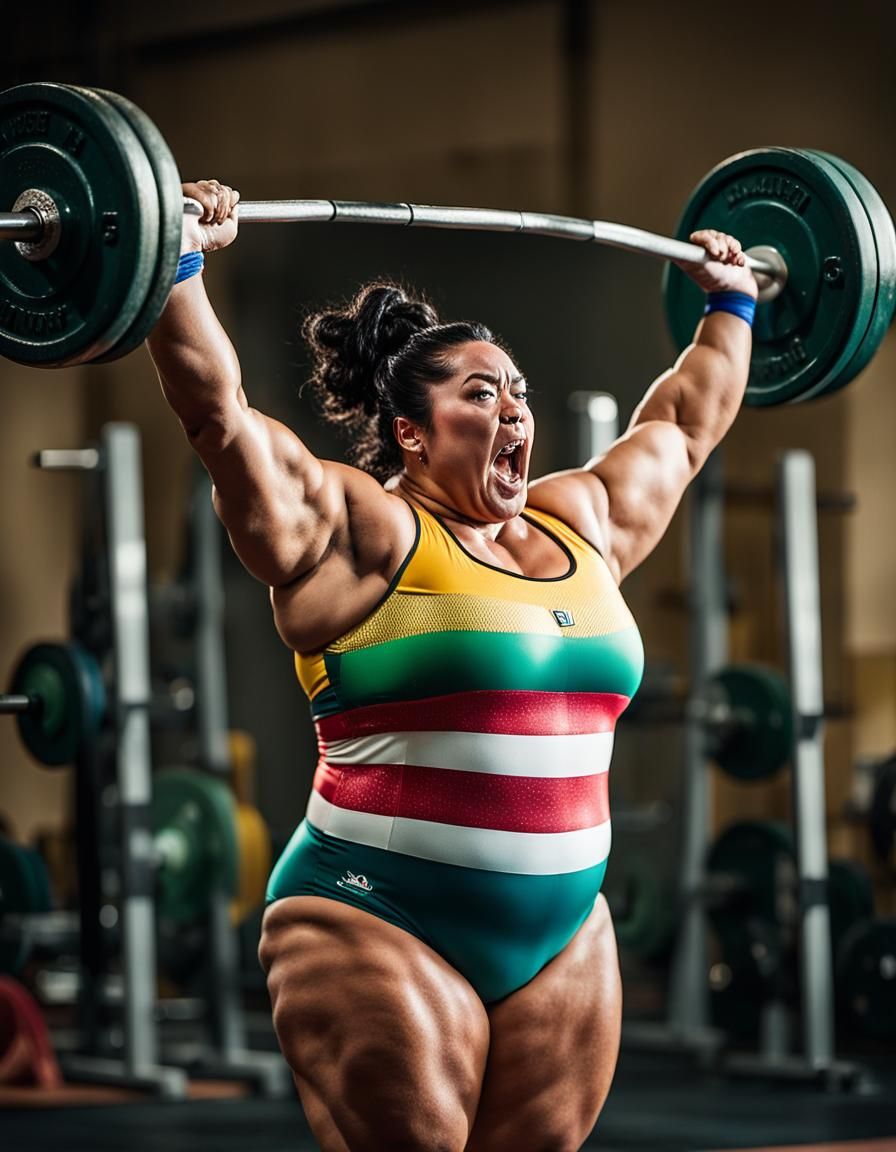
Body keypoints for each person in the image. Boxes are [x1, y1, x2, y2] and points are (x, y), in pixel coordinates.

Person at [147, 178, 757, 1152]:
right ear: (408, 432)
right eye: (480, 394)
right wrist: (174, 263)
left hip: (560, 935)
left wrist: (732, 297)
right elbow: (220, 419)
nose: (513, 411)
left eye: (516, 392)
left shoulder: (580, 523)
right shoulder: (364, 532)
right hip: (376, 912)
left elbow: (682, 425)